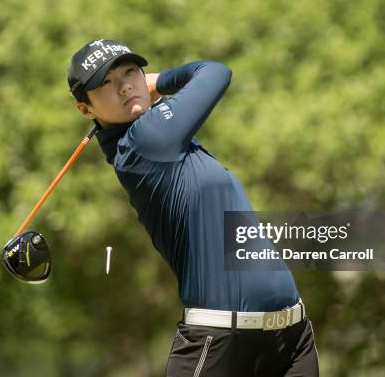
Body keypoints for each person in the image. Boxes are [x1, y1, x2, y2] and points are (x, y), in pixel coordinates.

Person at [67, 39, 319, 377]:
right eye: (106, 83)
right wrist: (159, 81)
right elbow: (215, 72)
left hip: (292, 337)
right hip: (221, 345)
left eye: (131, 72)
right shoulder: (146, 140)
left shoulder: (163, 138)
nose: (125, 85)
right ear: (86, 109)